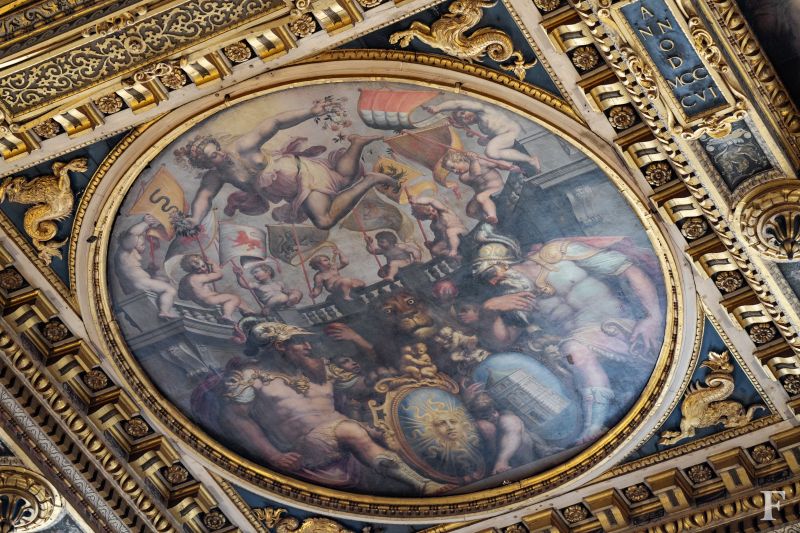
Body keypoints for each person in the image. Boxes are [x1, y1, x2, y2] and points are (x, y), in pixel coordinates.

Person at [218, 320, 448, 494]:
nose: (308, 346)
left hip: (344, 430)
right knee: (351, 430)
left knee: (389, 431)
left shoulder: (319, 368)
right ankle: (424, 485)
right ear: (280, 346)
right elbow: (235, 419)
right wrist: (274, 456)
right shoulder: (249, 377)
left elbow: (361, 387)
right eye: (300, 342)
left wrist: (387, 375)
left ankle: (441, 473)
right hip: (307, 447)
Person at [472, 236, 663, 443]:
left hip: (628, 327)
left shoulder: (558, 253)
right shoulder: (514, 296)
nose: (493, 282)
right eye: (486, 279)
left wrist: (652, 318)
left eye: (491, 273)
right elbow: (502, 342)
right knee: (574, 349)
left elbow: (629, 270)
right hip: (582, 343)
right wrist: (489, 310)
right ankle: (594, 426)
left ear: (506, 261)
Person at [174, 100, 394, 231]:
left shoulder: (242, 147)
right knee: (343, 180)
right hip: (293, 192)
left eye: (217, 148)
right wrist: (195, 218)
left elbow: (275, 123)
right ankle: (357, 144)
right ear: (207, 163)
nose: (221, 153)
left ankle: (370, 179)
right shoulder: (215, 177)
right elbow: (204, 197)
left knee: (324, 219)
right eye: (214, 156)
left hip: (303, 175)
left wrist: (311, 112)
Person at [425, 100, 540, 170]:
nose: (464, 117)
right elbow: (494, 134)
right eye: (462, 119)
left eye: (463, 112)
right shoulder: (481, 125)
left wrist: (438, 108)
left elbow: (457, 103)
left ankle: (530, 160)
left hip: (512, 131)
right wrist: (485, 140)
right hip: (507, 135)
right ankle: (527, 160)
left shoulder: (482, 110)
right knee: (489, 149)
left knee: (491, 151)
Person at [115, 214, 178, 319]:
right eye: (142, 243)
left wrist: (149, 271)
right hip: (139, 283)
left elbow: (132, 270)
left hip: (133, 284)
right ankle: (164, 311)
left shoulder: (128, 254)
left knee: (162, 279)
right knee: (169, 290)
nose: (144, 246)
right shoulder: (126, 248)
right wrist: (145, 223)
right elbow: (132, 233)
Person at [178, 254, 255, 323]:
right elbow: (219, 275)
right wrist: (213, 264)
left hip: (203, 301)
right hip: (209, 300)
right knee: (234, 298)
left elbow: (181, 296)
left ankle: (248, 312)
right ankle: (227, 316)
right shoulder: (200, 277)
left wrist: (195, 296)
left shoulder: (184, 280)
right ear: (191, 270)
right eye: (198, 269)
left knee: (238, 300)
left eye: (203, 266)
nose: (203, 269)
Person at [440, 150, 505, 224]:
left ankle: (492, 215)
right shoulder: (463, 177)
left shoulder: (479, 160)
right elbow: (475, 174)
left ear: (459, 160)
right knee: (470, 211)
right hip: (483, 192)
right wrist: (474, 161)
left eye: (453, 167)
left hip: (495, 187)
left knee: (480, 197)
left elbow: (497, 164)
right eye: (451, 171)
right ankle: (488, 219)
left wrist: (508, 167)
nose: (454, 171)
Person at [235, 262, 302, 313]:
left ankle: (291, 302)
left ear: (268, 272)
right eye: (253, 274)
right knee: (282, 296)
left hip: (284, 303)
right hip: (271, 307)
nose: (254, 275)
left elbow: (287, 291)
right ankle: (268, 307)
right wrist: (239, 275)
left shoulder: (279, 283)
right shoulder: (257, 285)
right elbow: (245, 284)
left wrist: (293, 293)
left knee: (296, 292)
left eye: (256, 272)